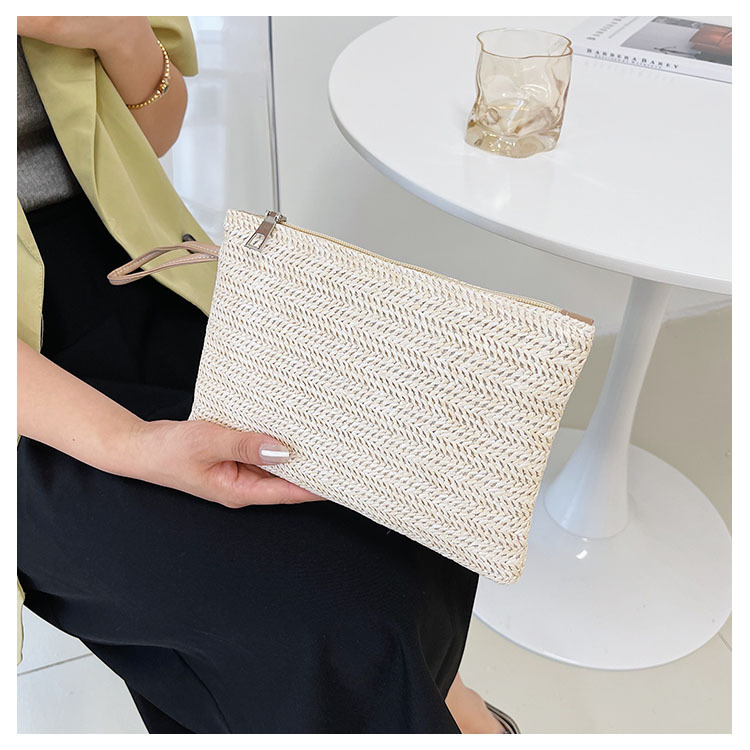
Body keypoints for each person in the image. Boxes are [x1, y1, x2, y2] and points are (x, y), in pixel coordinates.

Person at [17, 15, 517, 734]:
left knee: (399, 506)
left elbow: (148, 137)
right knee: (321, 609)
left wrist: (116, 31)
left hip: (135, 266)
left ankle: (451, 706)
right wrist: (131, 443)